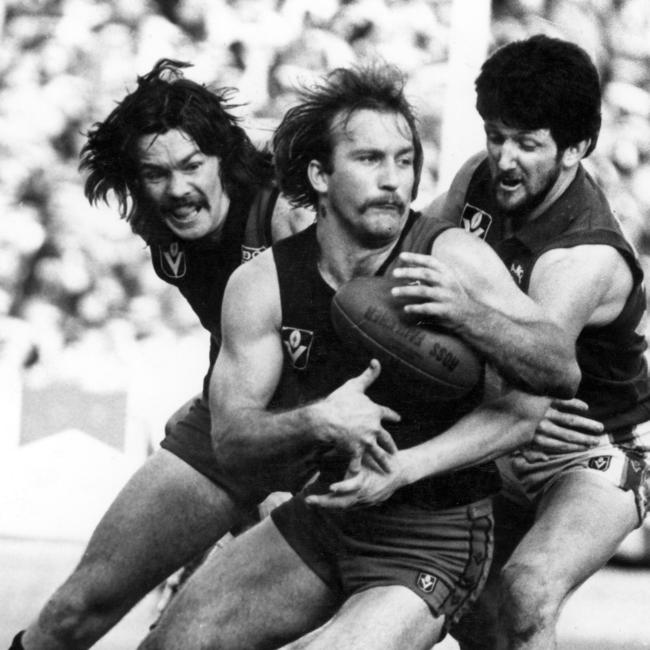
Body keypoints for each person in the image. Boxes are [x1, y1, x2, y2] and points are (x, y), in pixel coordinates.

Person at [138, 63, 584, 650]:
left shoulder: (450, 257)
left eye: (404, 160)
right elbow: (231, 442)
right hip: (325, 518)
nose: (393, 180)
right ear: (320, 174)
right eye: (371, 160)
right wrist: (316, 420)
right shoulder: (264, 283)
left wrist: (467, 316)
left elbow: (558, 370)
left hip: (435, 532)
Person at [12, 59, 312, 650]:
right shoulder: (163, 231)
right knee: (72, 613)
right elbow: (236, 337)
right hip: (237, 425)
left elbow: (352, 349)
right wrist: (212, 395)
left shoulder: (286, 214)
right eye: (155, 172)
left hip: (321, 434)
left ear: (223, 158)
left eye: (192, 165)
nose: (177, 188)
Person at [422, 34, 650, 649]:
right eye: (496, 135)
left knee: (527, 590)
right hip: (505, 430)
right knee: (474, 613)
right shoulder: (476, 179)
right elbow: (412, 254)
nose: (505, 158)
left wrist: (459, 311)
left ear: (576, 148)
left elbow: (537, 367)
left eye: (528, 143)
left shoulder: (582, 254)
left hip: (593, 447)